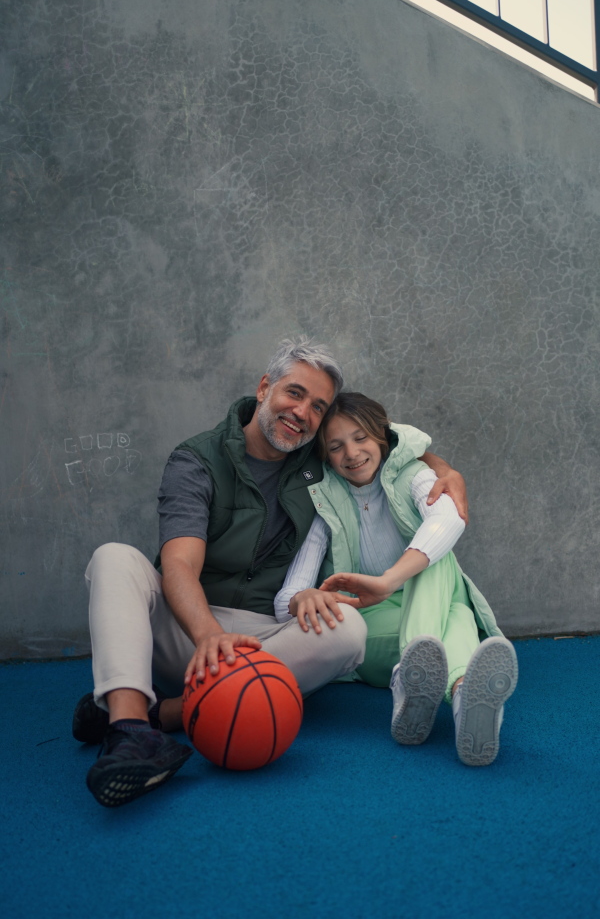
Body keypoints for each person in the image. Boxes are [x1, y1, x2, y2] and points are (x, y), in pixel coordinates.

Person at [74, 342, 468, 807]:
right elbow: (179, 565)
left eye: (317, 407)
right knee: (113, 557)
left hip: (267, 638)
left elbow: (386, 442)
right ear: (264, 389)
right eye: (294, 394)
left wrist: (444, 469)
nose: (302, 413)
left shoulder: (316, 459)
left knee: (347, 631)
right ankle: (131, 730)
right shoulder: (197, 460)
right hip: (185, 628)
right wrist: (206, 634)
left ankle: (171, 712)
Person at [274, 392, 518, 767]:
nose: (351, 454)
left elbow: (449, 519)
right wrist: (299, 599)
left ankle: (424, 683)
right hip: (374, 625)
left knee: (434, 560)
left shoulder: (412, 475)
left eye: (360, 438)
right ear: (325, 455)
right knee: (458, 618)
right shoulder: (324, 501)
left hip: (423, 597)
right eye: (336, 447)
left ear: (381, 438)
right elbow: (288, 596)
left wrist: (389, 580)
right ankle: (462, 690)